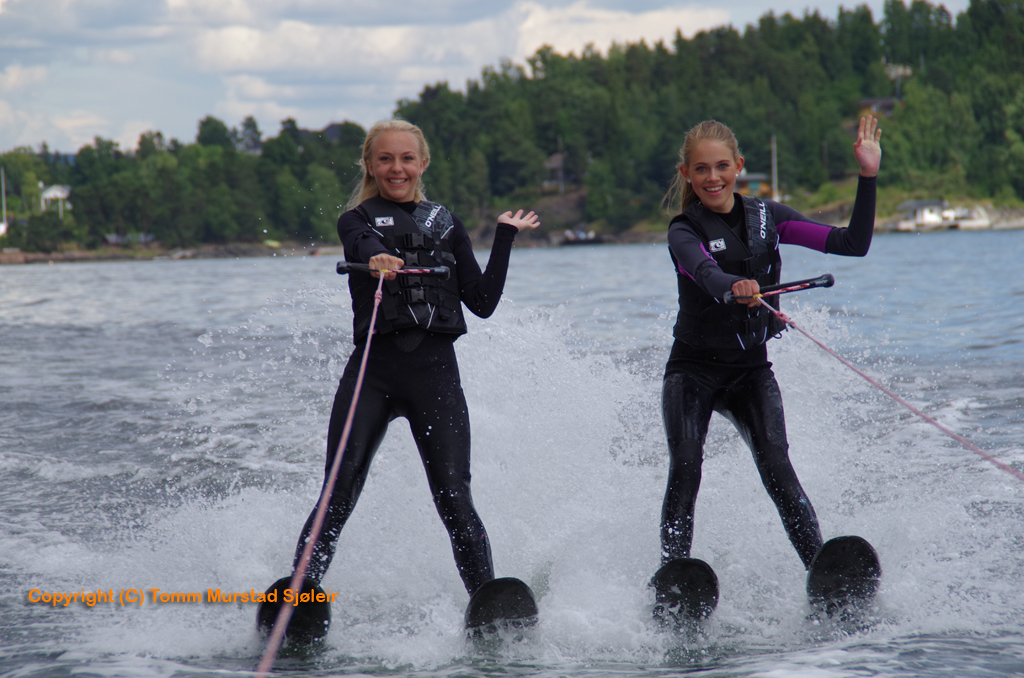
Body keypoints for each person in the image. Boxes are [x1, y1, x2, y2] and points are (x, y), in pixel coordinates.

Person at [292, 119, 539, 597]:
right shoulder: (355, 221)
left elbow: (482, 302)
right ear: (369, 165)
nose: (396, 168)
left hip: (435, 377)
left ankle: (485, 600)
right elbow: (362, 244)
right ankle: (300, 594)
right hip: (373, 376)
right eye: (385, 159)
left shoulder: (447, 223)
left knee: (454, 498)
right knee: (338, 492)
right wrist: (378, 258)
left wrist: (505, 236)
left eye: (407, 158)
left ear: (422, 163)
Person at [659, 116, 882, 570]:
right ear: (687, 174)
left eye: (722, 166)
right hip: (692, 371)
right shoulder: (683, 230)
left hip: (749, 371)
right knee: (686, 465)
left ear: (738, 166)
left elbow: (852, 243)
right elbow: (705, 272)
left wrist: (868, 175)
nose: (713, 177)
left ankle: (819, 569)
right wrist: (733, 285)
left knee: (778, 467)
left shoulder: (769, 218)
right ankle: (673, 573)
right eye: (701, 169)